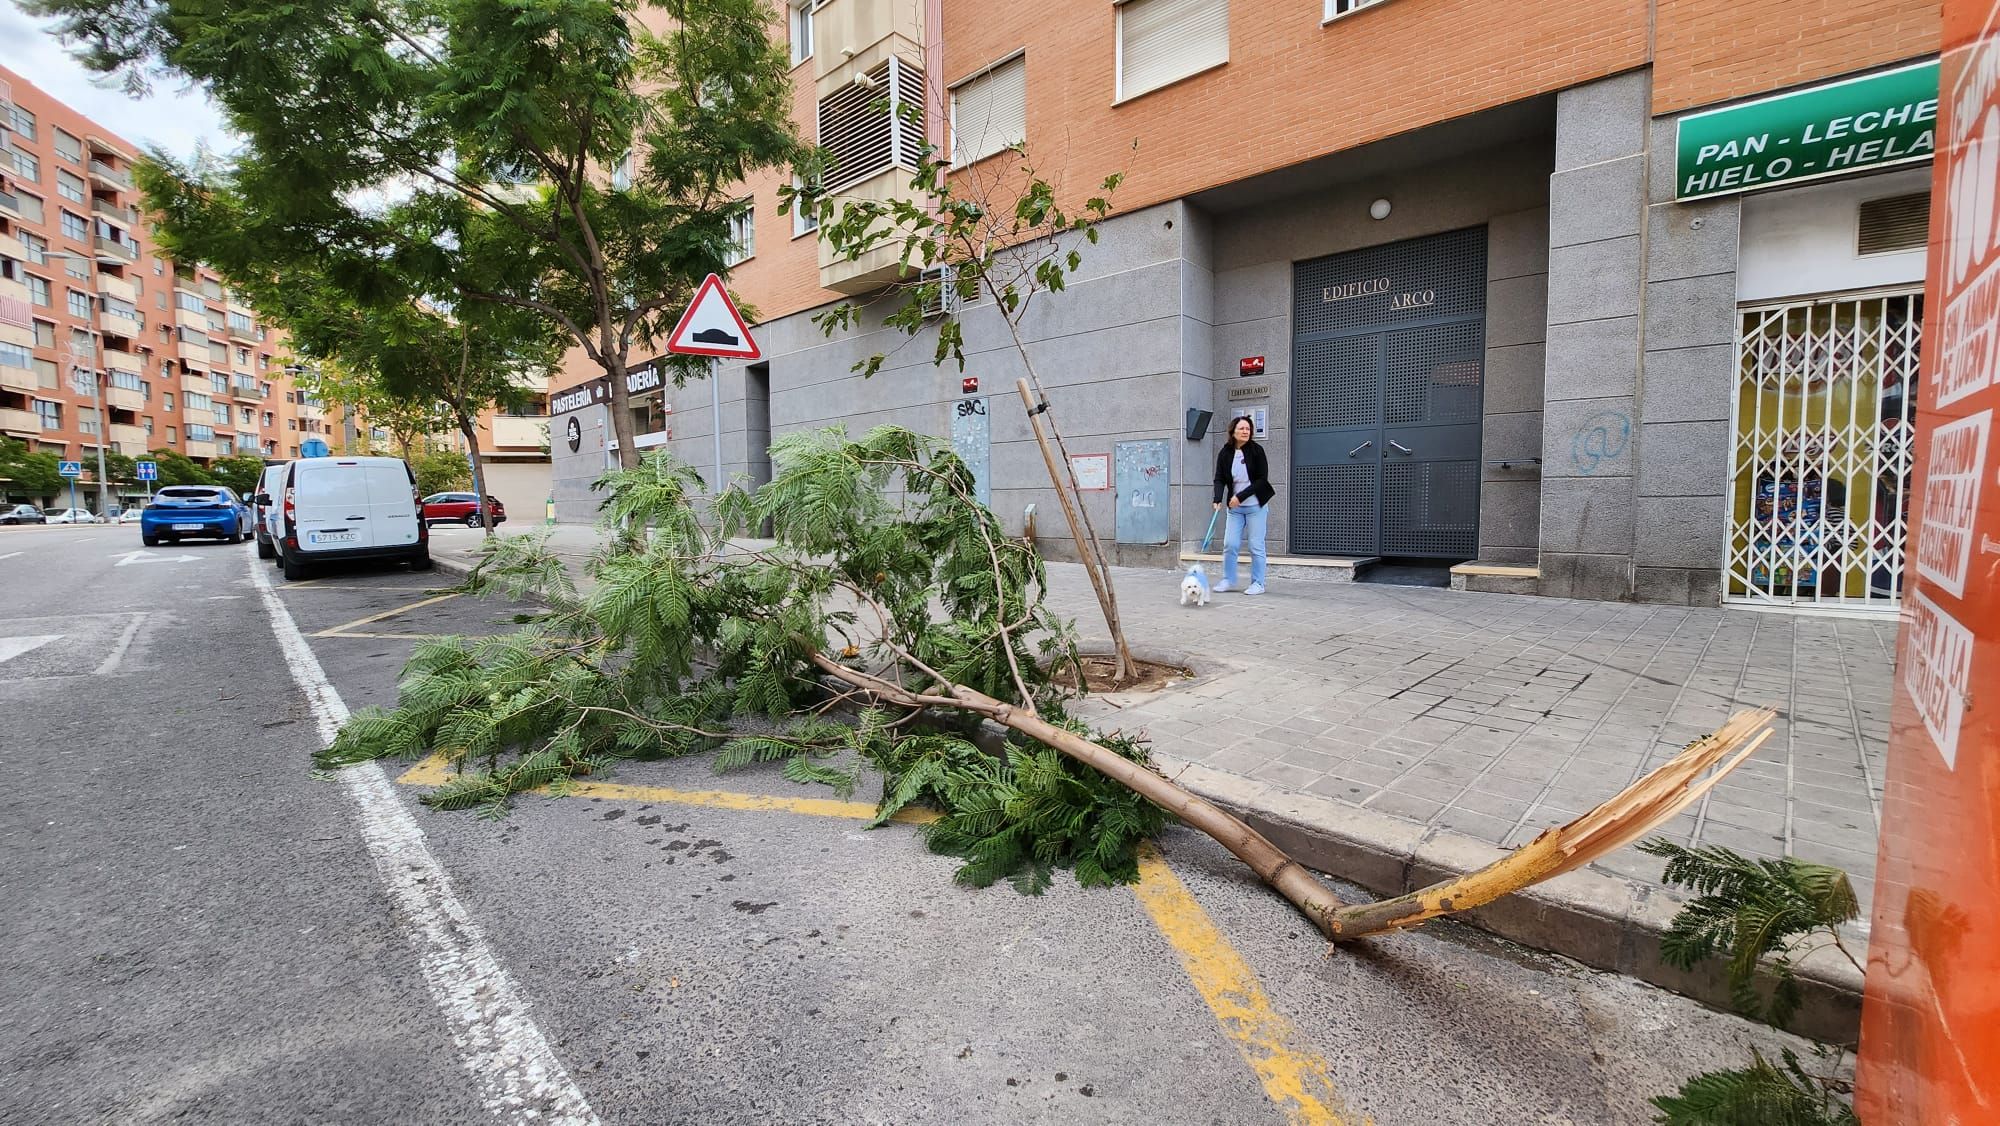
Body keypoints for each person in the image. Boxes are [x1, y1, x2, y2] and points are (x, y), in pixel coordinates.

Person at [1211, 415, 1275, 595]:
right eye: (1242, 428)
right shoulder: (1225, 452)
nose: (1245, 431)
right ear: (1233, 431)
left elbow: (1262, 480)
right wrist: (1217, 499)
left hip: (1256, 506)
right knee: (1230, 544)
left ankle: (1258, 583)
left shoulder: (1257, 451)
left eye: (1248, 429)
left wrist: (1240, 496)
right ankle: (1228, 580)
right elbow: (1219, 478)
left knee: (1256, 545)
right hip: (1235, 509)